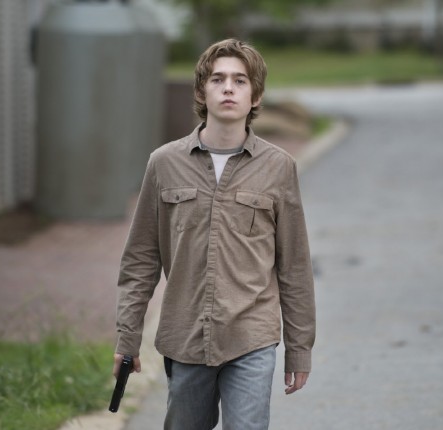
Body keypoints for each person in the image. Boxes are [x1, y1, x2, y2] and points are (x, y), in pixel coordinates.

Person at [113, 38, 316, 430]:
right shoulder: (164, 163)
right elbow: (140, 260)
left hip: (252, 336)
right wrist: (127, 337)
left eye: (240, 81)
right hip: (184, 337)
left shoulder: (279, 168)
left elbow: (294, 266)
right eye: (218, 79)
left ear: (256, 96)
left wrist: (299, 349)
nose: (228, 88)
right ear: (200, 91)